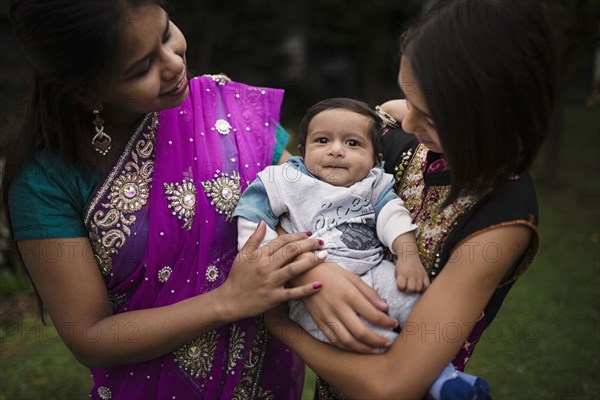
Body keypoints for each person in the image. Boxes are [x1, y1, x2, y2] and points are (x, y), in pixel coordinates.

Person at [2, 1, 327, 398]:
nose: (173, 64)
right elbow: (89, 335)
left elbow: (311, 203)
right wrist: (228, 301)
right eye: (141, 69)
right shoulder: (46, 182)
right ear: (86, 91)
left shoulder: (227, 110)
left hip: (266, 381)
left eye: (167, 33)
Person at [265, 0, 557, 398]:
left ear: (495, 115)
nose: (405, 121)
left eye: (430, 117)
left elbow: (392, 385)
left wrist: (283, 327)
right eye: (407, 98)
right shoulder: (403, 134)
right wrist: (313, 271)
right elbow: (297, 187)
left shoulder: (501, 221)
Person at [234, 97, 490, 399]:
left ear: (375, 158)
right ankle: (439, 382)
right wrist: (266, 266)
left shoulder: (373, 182)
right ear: (302, 151)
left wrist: (407, 255)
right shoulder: (285, 180)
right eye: (322, 140)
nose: (336, 150)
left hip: (375, 269)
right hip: (314, 293)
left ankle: (440, 370)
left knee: (416, 306)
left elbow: (392, 215)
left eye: (353, 143)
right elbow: (253, 216)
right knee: (365, 333)